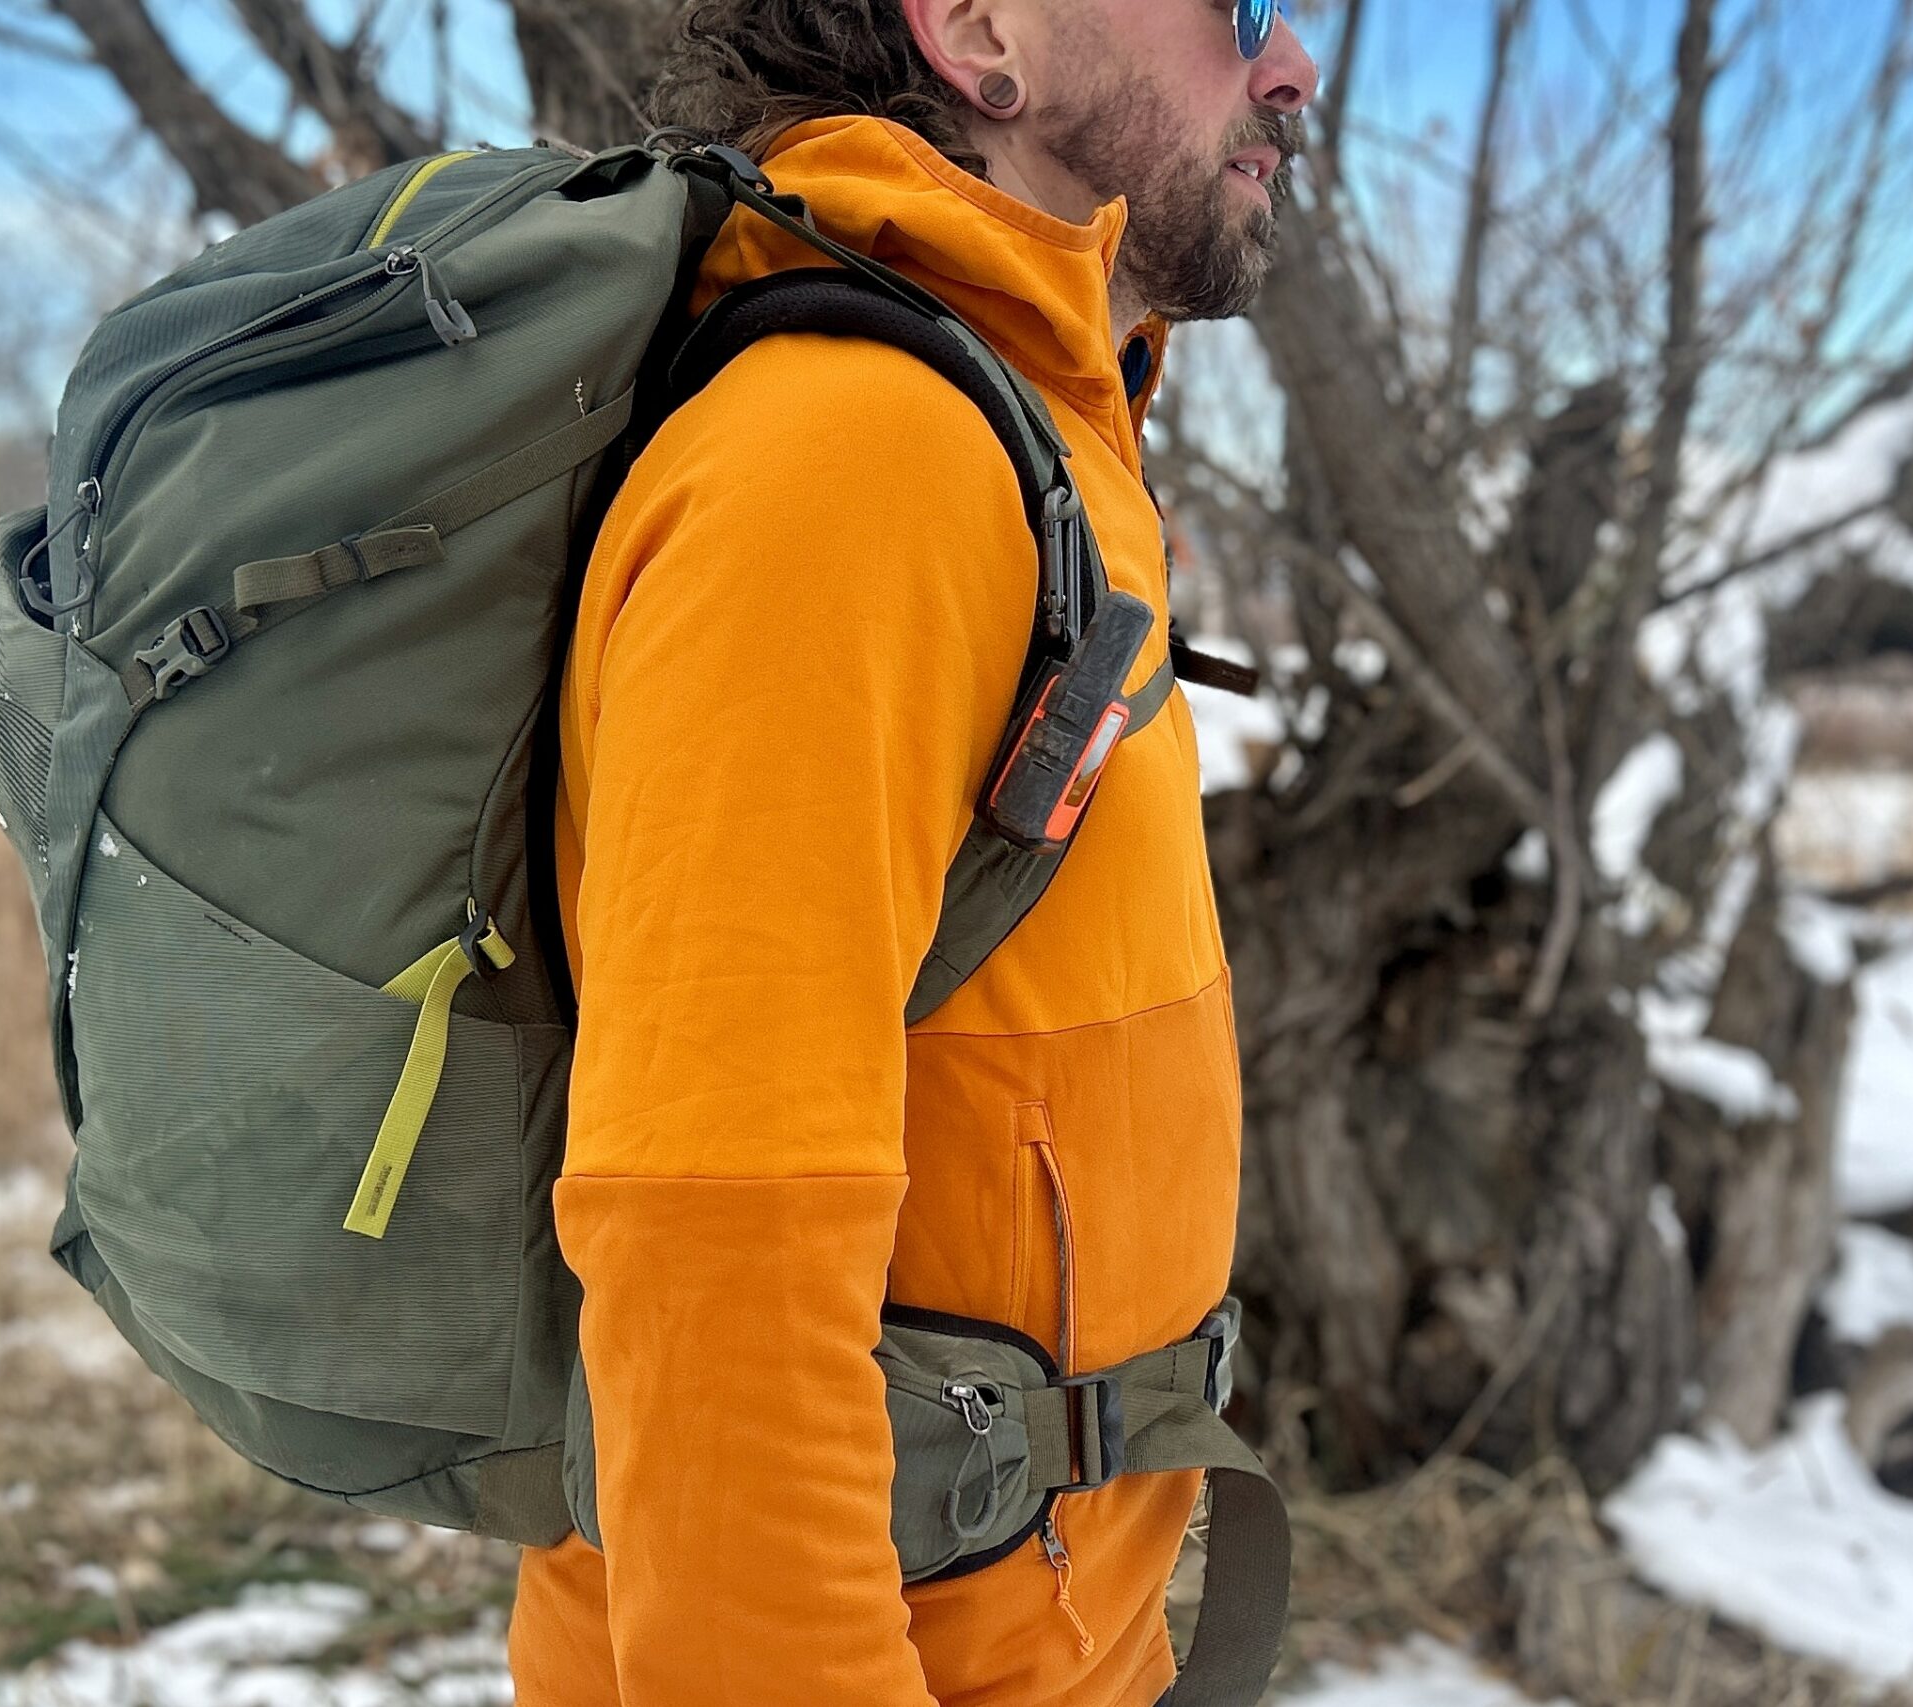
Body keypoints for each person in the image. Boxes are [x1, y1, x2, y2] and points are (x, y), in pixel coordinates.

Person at [508, 1, 1320, 1703]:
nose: (1292, 65)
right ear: (978, 29)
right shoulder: (855, 461)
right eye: (1235, 5)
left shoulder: (1031, 434)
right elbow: (710, 1265)